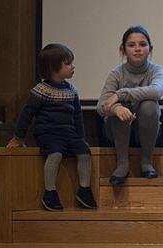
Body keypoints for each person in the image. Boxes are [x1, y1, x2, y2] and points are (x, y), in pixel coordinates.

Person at [6, 43, 97, 211]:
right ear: (54, 68)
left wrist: (81, 137)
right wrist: (19, 137)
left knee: (84, 152)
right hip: (48, 133)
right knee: (55, 153)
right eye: (68, 63)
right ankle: (50, 192)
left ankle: (84, 190)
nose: (73, 67)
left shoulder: (72, 90)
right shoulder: (41, 90)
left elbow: (77, 116)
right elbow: (27, 114)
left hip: (69, 132)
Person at [97, 25, 163, 186]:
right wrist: (116, 108)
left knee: (149, 104)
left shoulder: (157, 70)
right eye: (131, 45)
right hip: (116, 132)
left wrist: (120, 94)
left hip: (147, 131)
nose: (137, 49)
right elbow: (101, 106)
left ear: (150, 49)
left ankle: (146, 161)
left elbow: (157, 91)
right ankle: (122, 164)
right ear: (123, 50)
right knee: (122, 106)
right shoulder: (116, 73)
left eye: (142, 44)